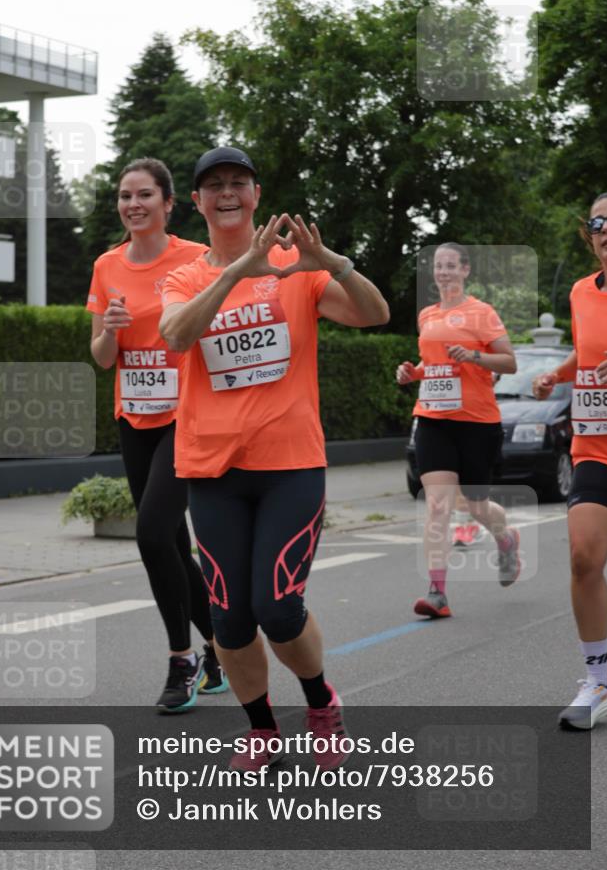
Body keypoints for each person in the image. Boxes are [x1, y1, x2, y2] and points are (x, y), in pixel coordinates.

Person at [160, 146, 389, 770]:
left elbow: (375, 314)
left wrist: (331, 263)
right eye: (214, 186)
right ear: (199, 202)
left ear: (256, 195)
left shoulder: (296, 270)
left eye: (238, 182)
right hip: (211, 470)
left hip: (289, 463)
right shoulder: (184, 277)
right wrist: (235, 273)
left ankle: (321, 703)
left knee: (278, 606)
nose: (227, 193)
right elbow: (176, 335)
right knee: (229, 621)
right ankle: (262, 728)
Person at [87, 158, 228, 712]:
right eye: (125, 196)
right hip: (134, 416)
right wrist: (112, 333)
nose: (133, 204)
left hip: (186, 417)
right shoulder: (106, 266)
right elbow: (102, 358)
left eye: (145, 194)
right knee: (171, 543)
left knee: (150, 534)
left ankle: (181, 658)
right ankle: (220, 647)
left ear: (169, 204)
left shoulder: (196, 258)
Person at [396, 243, 520, 618]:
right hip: (433, 419)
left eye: (451, 266)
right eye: (439, 267)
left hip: (477, 422)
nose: (444, 272)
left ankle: (506, 537)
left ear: (465, 270)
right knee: (437, 504)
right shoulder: (427, 315)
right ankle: (437, 593)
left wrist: (476, 356)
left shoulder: (482, 313)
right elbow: (431, 361)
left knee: (477, 505)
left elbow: (510, 362)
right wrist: (412, 373)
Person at [533, 192, 607, 730]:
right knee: (584, 558)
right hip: (595, 445)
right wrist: (556, 376)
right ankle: (599, 677)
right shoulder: (583, 291)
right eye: (599, 221)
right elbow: (586, 351)